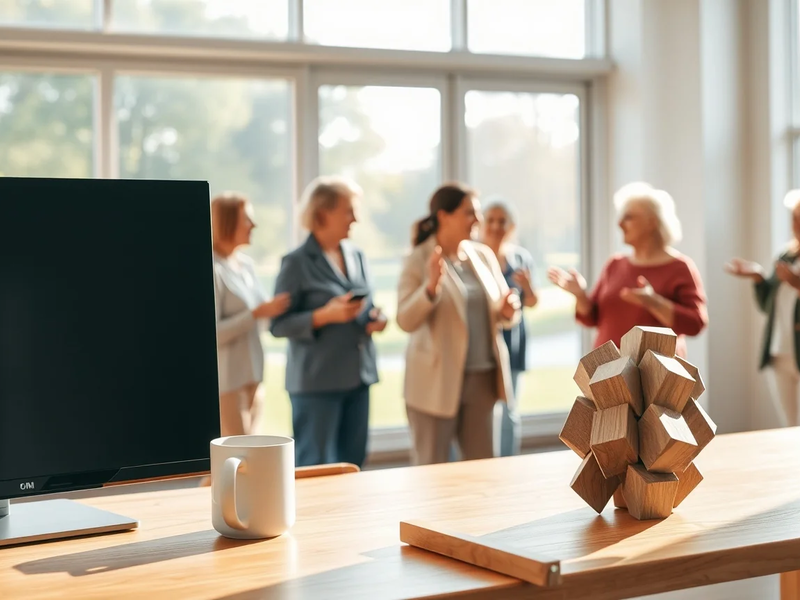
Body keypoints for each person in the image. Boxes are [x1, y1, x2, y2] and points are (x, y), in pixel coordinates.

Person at [397, 182, 521, 466]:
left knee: (482, 470)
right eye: (470, 213)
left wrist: (507, 310)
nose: (478, 220)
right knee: (432, 470)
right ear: (444, 216)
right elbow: (405, 319)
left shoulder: (482, 255)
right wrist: (430, 288)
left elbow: (504, 313)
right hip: (434, 383)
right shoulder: (418, 258)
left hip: (482, 380)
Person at [270, 176, 386, 468]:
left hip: (359, 378)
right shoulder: (296, 262)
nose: (355, 219)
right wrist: (324, 315)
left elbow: (365, 305)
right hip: (316, 385)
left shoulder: (357, 256)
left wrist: (375, 319)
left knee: (353, 464)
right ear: (323, 213)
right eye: (348, 211)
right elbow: (278, 325)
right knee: (316, 466)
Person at [547, 182, 707, 358]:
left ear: (652, 222)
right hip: (608, 372)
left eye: (628, 217)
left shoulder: (680, 267)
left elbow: (696, 323)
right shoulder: (614, 264)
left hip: (657, 377)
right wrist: (580, 295)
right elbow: (592, 318)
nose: (620, 224)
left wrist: (653, 302)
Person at [211, 193, 290, 437]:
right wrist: (255, 314)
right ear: (227, 222)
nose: (253, 225)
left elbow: (263, 317)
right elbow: (212, 334)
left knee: (251, 458)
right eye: (247, 219)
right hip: (228, 382)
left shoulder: (246, 265)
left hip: (254, 374)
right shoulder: (212, 269)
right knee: (237, 459)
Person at [725, 189, 800, 427]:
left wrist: (797, 283)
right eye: (794, 218)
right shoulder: (786, 256)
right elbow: (768, 306)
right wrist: (758, 277)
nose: (796, 224)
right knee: (789, 424)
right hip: (780, 351)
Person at [480, 198, 538, 457]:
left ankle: (507, 460)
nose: (494, 226)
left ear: (511, 226)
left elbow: (533, 301)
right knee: (482, 410)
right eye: (490, 220)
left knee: (510, 409)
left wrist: (527, 286)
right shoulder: (474, 256)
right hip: (483, 342)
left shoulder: (521, 258)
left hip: (513, 341)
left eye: (501, 221)